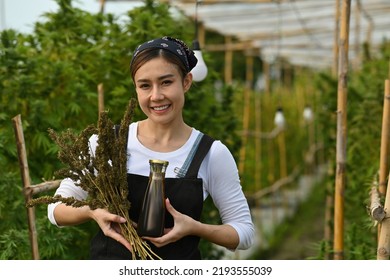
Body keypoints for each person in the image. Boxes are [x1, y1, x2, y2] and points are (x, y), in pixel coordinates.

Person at [47, 36, 255, 260]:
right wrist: (92, 212)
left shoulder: (210, 153)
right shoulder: (106, 142)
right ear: (136, 89)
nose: (156, 96)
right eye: (145, 85)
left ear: (186, 82)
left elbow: (244, 232)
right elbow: (55, 210)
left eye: (166, 82)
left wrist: (196, 228)